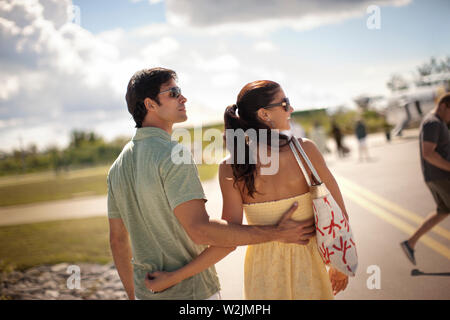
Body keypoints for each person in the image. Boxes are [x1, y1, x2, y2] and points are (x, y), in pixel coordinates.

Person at [107, 69, 316, 300]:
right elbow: (200, 231)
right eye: (173, 92)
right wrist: (276, 232)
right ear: (150, 104)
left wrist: (133, 295)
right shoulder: (173, 155)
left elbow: (117, 241)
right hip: (192, 293)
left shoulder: (117, 167)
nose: (183, 98)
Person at [145, 80, 350, 299]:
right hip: (311, 266)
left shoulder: (231, 167)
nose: (291, 109)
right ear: (264, 114)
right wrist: (340, 262)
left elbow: (229, 238)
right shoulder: (305, 150)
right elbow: (338, 212)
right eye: (285, 103)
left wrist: (173, 277)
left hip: (263, 273)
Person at [400, 93, 450, 265]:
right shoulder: (433, 123)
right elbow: (428, 153)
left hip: (436, 177)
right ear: (444, 105)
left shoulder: (438, 122)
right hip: (441, 177)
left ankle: (410, 242)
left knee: (443, 211)